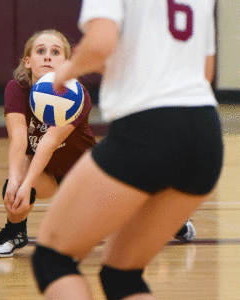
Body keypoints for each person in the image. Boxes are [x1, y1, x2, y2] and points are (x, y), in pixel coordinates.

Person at [31, 1, 223, 299]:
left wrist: (66, 71)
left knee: (53, 259)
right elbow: (204, 71)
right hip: (206, 134)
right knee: (122, 275)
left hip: (148, 128)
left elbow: (101, 43)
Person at [0, 29, 97, 258]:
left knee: (129, 210)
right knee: (15, 183)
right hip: (48, 174)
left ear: (66, 62)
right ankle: (15, 232)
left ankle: (174, 223)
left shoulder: (76, 94)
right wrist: (16, 182)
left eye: (55, 52)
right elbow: (18, 137)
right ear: (28, 61)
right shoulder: (16, 89)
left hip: (84, 174)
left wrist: (26, 185)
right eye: (40, 51)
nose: (47, 56)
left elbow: (50, 141)